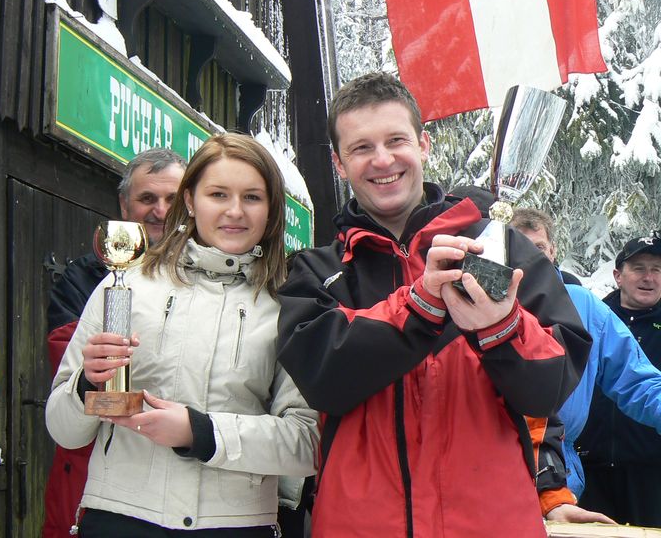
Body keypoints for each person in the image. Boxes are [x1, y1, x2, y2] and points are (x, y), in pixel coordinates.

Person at [276, 72, 591, 537]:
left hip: (490, 524)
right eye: (361, 148)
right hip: (361, 526)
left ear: (423, 145)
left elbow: (549, 391)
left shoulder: (501, 249)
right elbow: (325, 382)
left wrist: (502, 328)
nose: (383, 160)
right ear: (339, 164)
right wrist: (418, 305)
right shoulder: (317, 271)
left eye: (396, 140)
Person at [45, 133, 319, 537]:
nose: (235, 211)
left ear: (271, 208)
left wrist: (202, 432)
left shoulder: (286, 304)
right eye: (218, 194)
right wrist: (88, 383)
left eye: (252, 197)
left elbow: (306, 442)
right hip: (120, 518)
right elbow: (63, 429)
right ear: (190, 201)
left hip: (234, 526)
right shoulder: (126, 285)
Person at [42, 148, 186, 538]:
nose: (160, 210)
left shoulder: (211, 277)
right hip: (92, 464)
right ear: (124, 206)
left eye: (171, 198)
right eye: (147, 198)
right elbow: (70, 368)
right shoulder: (85, 279)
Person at [511, 208, 661, 524]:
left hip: (563, 478)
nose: (528, 256)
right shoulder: (479, 303)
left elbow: (637, 380)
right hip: (490, 471)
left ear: (553, 251)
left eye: (538, 247)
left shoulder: (583, 306)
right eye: (518, 244)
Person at [577, 232, 661, 527]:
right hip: (589, 470)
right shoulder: (590, 321)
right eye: (639, 268)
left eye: (657, 269)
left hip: (652, 473)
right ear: (617, 276)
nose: (649, 277)